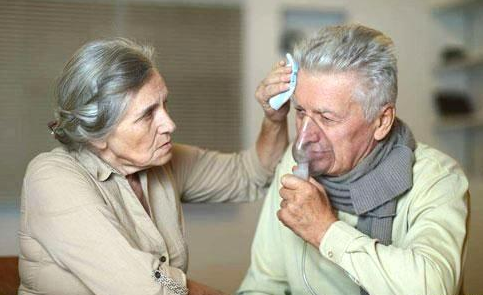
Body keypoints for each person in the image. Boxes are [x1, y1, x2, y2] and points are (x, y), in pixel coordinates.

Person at [18, 38, 292, 295]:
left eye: (164, 105)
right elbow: (147, 285)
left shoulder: (159, 161)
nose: (169, 124)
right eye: (148, 114)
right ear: (97, 134)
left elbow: (252, 173)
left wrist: (275, 118)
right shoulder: (53, 179)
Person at [238, 24, 469, 295]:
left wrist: (325, 230)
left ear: (381, 121)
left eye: (326, 118)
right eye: (300, 112)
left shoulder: (438, 178)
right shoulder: (294, 163)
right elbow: (262, 285)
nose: (304, 136)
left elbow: (434, 289)